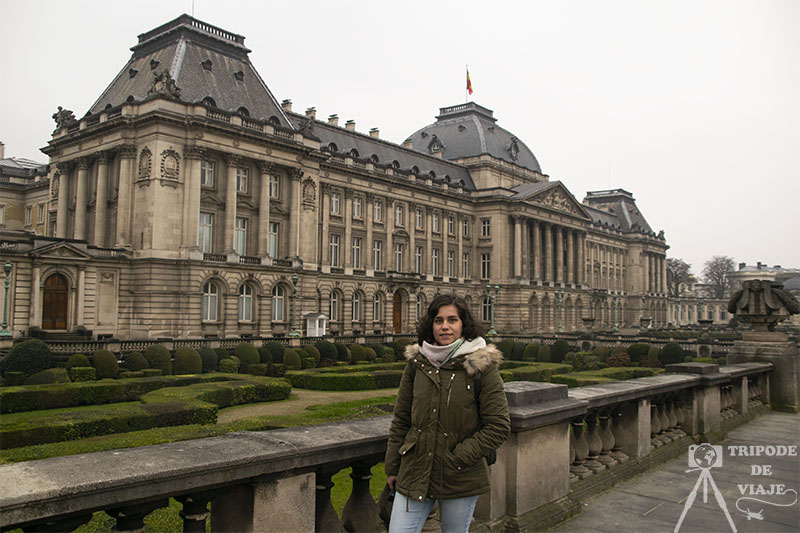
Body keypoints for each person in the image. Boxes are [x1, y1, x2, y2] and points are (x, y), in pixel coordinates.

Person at [385, 294, 510, 533]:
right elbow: (401, 419)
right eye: (439, 320)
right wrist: (392, 467)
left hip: (459, 474)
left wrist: (457, 457)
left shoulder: (481, 365)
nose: (445, 326)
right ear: (430, 325)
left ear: (463, 324)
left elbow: (498, 426)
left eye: (452, 320)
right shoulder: (417, 363)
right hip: (415, 470)